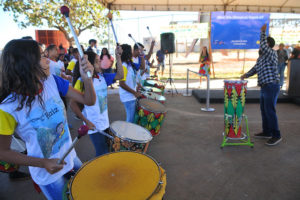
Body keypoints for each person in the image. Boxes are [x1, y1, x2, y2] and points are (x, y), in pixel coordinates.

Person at [0, 39, 96, 200]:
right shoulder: (6, 108)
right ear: (25, 65)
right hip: (48, 174)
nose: (48, 61)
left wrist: (87, 79)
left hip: (72, 158)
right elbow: (3, 152)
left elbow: (89, 101)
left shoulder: (52, 80)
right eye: (42, 57)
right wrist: (43, 163)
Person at [70, 46, 123, 157]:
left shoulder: (102, 77)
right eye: (98, 62)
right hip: (93, 125)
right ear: (90, 65)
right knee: (101, 153)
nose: (101, 64)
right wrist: (85, 121)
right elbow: (73, 105)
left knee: (107, 150)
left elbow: (120, 75)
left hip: (105, 122)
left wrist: (118, 57)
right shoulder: (81, 81)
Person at [241, 24, 281, 146]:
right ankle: (267, 132)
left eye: (263, 43)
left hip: (272, 85)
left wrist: (263, 32)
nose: (260, 46)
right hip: (264, 86)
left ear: (268, 44)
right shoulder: (261, 58)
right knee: (264, 110)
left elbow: (263, 45)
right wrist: (245, 75)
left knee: (269, 110)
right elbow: (255, 69)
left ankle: (276, 135)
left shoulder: (271, 53)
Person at [119, 44, 143, 123]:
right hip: (128, 96)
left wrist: (136, 85)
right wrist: (134, 92)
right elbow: (122, 84)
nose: (132, 52)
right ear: (127, 53)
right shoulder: (124, 66)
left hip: (131, 95)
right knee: (130, 120)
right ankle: (127, 135)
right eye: (131, 51)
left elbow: (130, 79)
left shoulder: (129, 64)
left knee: (132, 118)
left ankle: (129, 134)